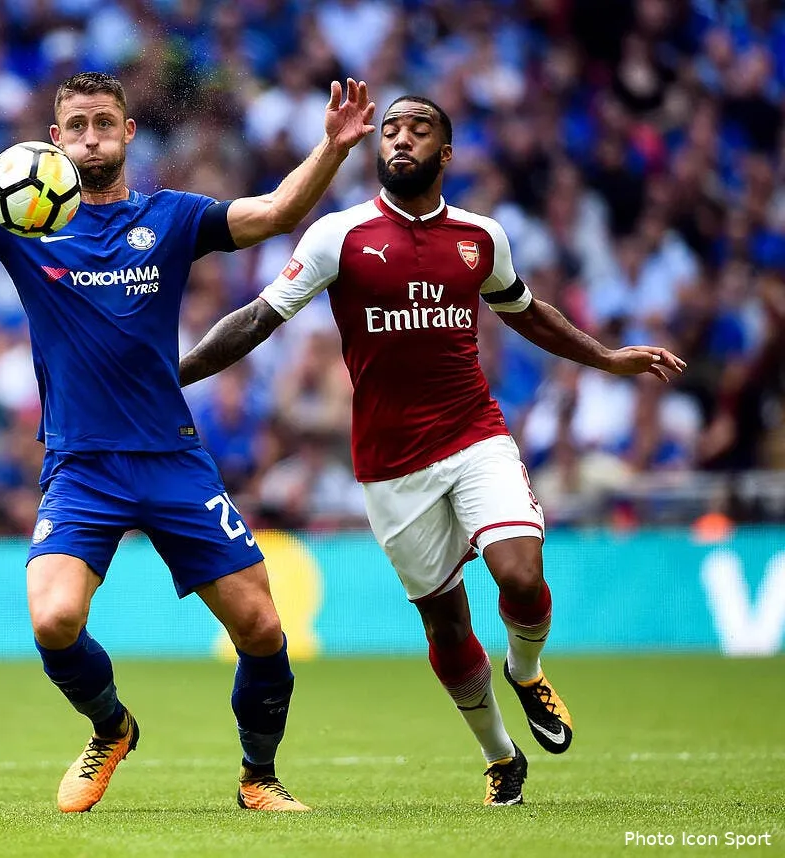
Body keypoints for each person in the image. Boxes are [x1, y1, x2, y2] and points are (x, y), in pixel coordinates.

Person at [0, 71, 377, 813]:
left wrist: (333, 148)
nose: (91, 136)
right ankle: (110, 728)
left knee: (263, 628)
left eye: (103, 123)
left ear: (128, 133)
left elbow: (276, 211)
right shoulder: (18, 224)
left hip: (172, 457)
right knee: (52, 619)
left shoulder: (172, 218)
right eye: (76, 125)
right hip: (82, 466)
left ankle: (258, 777)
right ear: (54, 140)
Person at [179, 95, 687, 806]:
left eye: (419, 130)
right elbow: (258, 318)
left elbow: (527, 311)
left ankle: (526, 669)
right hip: (391, 465)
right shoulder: (339, 236)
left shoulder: (481, 237)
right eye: (390, 130)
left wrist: (606, 358)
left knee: (519, 573)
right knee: (445, 623)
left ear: (445, 154)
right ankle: (501, 755)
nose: (401, 139)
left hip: (474, 433)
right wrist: (174, 376)